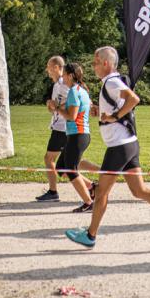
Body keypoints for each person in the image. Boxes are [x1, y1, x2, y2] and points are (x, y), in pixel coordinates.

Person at [65, 47, 150, 248]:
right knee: (139, 190)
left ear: (105, 63)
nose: (93, 67)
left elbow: (133, 99)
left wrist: (114, 116)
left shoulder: (112, 81)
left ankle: (90, 235)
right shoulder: (110, 83)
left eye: (95, 63)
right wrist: (103, 111)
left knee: (101, 192)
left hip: (119, 146)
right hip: (128, 143)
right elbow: (121, 103)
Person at [53, 62, 95, 212]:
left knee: (70, 170)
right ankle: (92, 187)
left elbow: (72, 116)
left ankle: (89, 202)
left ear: (70, 76)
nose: (62, 77)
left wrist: (56, 108)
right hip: (76, 135)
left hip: (78, 134)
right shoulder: (81, 90)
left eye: (64, 74)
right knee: (61, 168)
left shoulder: (73, 91)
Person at [36, 56, 69, 202]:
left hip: (62, 127)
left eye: (49, 67)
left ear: (56, 67)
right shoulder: (57, 84)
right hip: (60, 125)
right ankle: (94, 183)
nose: (47, 70)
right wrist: (52, 106)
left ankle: (53, 191)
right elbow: (57, 106)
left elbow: (71, 103)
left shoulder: (63, 83)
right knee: (70, 162)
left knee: (49, 158)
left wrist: (55, 106)